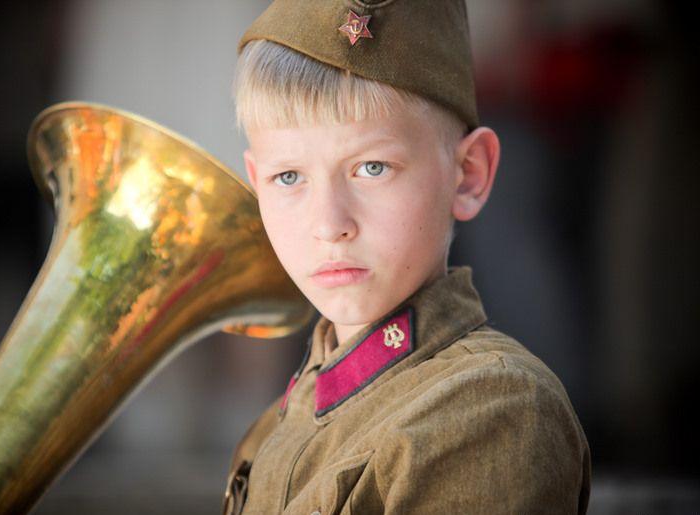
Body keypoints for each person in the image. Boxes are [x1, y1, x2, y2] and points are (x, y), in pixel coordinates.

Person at [222, 1, 591, 513]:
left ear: (469, 175)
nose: (329, 225)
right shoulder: (269, 431)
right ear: (256, 182)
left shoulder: (490, 410)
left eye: (372, 167)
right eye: (289, 177)